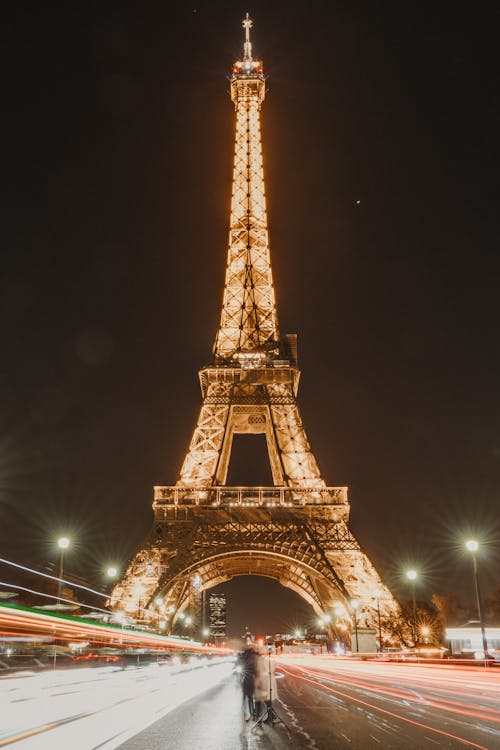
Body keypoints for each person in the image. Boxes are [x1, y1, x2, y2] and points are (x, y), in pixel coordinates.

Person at [253, 646, 278, 723]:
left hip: (265, 681)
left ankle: (268, 717)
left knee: (265, 699)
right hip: (270, 681)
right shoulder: (271, 659)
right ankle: (271, 715)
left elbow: (261, 671)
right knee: (267, 699)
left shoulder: (263, 660)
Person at [238, 646, 257, 721]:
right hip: (253, 680)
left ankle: (250, 714)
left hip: (247, 680)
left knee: (248, 698)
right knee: (252, 698)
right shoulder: (254, 658)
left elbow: (242, 669)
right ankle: (254, 714)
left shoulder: (246, 659)